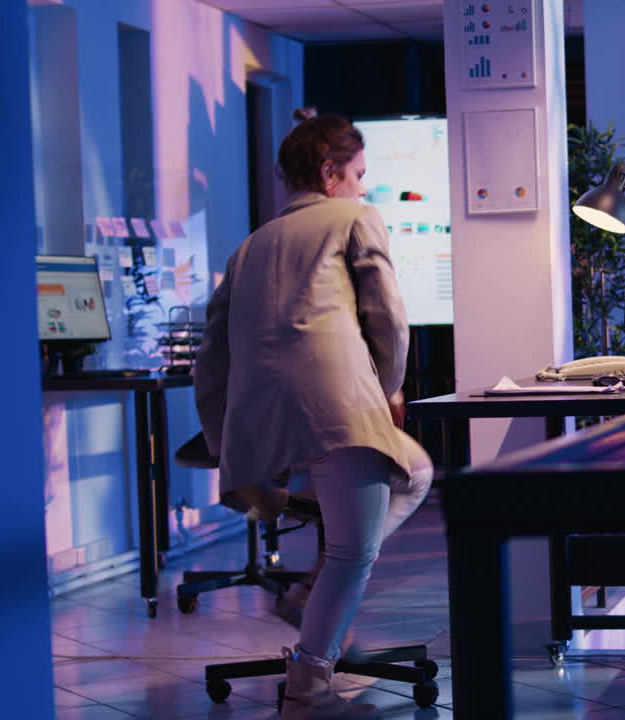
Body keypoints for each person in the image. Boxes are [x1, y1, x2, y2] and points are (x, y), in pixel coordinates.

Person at [195, 108, 432, 720]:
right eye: (358, 174)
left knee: (404, 477)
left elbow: (209, 361)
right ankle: (308, 678)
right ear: (330, 173)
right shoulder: (355, 218)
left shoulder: (248, 248)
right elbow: (389, 319)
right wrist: (387, 390)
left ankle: (309, 590)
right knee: (366, 537)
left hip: (262, 434)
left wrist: (228, 443)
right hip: (335, 408)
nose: (363, 187)